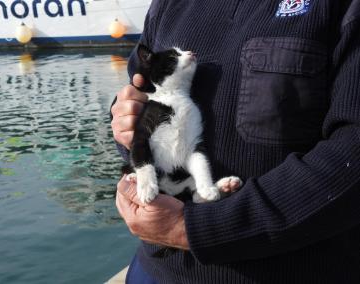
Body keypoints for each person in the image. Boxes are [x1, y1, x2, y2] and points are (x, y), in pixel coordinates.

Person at [110, 0, 360, 283]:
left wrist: (197, 229)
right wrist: (123, 121)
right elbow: (136, 95)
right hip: (155, 270)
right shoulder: (168, 4)